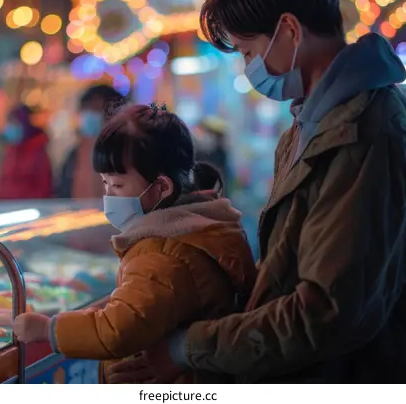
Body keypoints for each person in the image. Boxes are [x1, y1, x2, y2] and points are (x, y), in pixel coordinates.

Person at [108, 0, 406, 384]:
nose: (248, 68)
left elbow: (326, 311)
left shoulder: (370, 132)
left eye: (248, 51)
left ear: (288, 30)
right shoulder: (307, 126)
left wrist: (187, 349)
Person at [13, 103, 257, 383]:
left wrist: (48, 329)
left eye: (116, 186)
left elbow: (119, 330)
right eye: (104, 185)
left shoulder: (164, 253)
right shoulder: (201, 224)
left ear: (162, 187)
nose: (108, 196)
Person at [56, 84, 124, 199]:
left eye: (96, 110)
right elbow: (63, 193)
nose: (89, 116)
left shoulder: (128, 154)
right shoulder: (74, 155)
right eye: (86, 110)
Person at [0, 104, 52, 200]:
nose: (9, 127)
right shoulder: (10, 152)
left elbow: (44, 190)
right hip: (5, 208)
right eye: (9, 123)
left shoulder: (38, 152)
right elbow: (2, 184)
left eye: (14, 123)